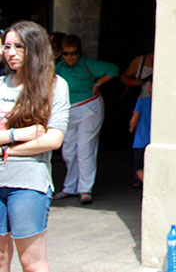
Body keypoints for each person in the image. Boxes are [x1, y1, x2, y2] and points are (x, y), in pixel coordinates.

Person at [0, 21, 70, 272]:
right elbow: (39, 137)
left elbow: (53, 139)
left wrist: (6, 147)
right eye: (7, 46)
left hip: (29, 183)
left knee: (31, 262)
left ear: (36, 49)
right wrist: (21, 134)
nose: (10, 52)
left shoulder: (54, 86)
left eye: (19, 46)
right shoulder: (1, 84)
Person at [52, 34, 118, 205]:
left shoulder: (88, 64)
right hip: (69, 111)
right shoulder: (59, 67)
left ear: (79, 52)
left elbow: (113, 69)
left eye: (74, 53)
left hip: (89, 108)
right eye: (66, 53)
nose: (70, 57)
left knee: (85, 148)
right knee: (68, 150)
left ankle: (85, 189)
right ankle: (69, 187)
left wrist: (98, 84)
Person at [128, 79, 151, 187]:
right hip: (152, 140)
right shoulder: (162, 104)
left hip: (140, 140)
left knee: (139, 167)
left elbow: (134, 119)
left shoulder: (142, 101)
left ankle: (148, 185)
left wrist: (131, 128)